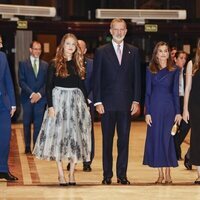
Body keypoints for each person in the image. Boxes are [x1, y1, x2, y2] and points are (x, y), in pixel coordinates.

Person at [33, 33, 91, 186]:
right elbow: (48, 86)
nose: (71, 47)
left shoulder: (79, 62)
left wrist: (86, 104)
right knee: (59, 138)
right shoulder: (54, 63)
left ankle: (72, 174)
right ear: (62, 46)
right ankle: (60, 174)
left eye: (73, 44)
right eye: (68, 44)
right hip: (59, 103)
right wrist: (51, 106)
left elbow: (81, 86)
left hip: (75, 104)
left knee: (75, 138)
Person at [93, 18, 141, 185]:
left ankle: (122, 175)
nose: (119, 32)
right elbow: (96, 78)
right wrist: (97, 101)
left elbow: (137, 78)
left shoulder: (133, 51)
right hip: (106, 105)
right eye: (116, 29)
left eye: (122, 29)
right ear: (110, 30)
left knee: (124, 142)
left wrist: (136, 99)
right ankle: (107, 175)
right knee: (107, 142)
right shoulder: (101, 51)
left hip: (126, 104)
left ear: (126, 31)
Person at [143, 41, 182, 184]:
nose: (163, 53)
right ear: (156, 53)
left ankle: (168, 173)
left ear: (169, 53)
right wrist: (147, 112)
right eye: (160, 51)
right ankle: (159, 173)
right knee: (156, 139)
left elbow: (175, 93)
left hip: (169, 108)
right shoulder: (150, 69)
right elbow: (147, 92)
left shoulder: (175, 70)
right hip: (154, 108)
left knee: (167, 139)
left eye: (166, 50)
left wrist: (178, 112)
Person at [66, 39, 94, 172]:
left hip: (88, 103)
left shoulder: (93, 64)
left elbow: (96, 84)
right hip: (72, 104)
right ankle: (72, 159)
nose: (78, 50)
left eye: (80, 48)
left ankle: (87, 161)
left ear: (85, 50)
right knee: (72, 132)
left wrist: (89, 100)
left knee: (87, 132)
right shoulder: (69, 63)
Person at [18, 41, 48, 154]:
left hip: (41, 99)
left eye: (39, 49)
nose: (37, 51)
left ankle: (36, 147)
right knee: (26, 123)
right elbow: (21, 81)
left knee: (38, 124)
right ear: (30, 50)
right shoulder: (23, 64)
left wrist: (39, 95)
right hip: (27, 98)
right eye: (35, 49)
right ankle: (27, 147)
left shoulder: (45, 65)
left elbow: (47, 82)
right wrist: (32, 94)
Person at [0, 35, 18, 181]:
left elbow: (8, 80)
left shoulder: (3, 57)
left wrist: (12, 103)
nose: (0, 45)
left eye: (1, 42)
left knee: (5, 139)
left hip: (3, 105)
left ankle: (3, 169)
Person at [183, 39, 200, 184]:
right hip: (196, 106)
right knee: (197, 139)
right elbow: (187, 88)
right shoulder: (192, 64)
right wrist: (185, 109)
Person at [173, 51, 191, 161]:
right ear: (175, 59)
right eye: (181, 58)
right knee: (174, 128)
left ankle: (173, 146)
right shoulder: (171, 71)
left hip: (185, 101)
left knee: (185, 127)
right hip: (174, 101)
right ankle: (176, 154)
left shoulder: (187, 72)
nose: (183, 60)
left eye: (185, 58)